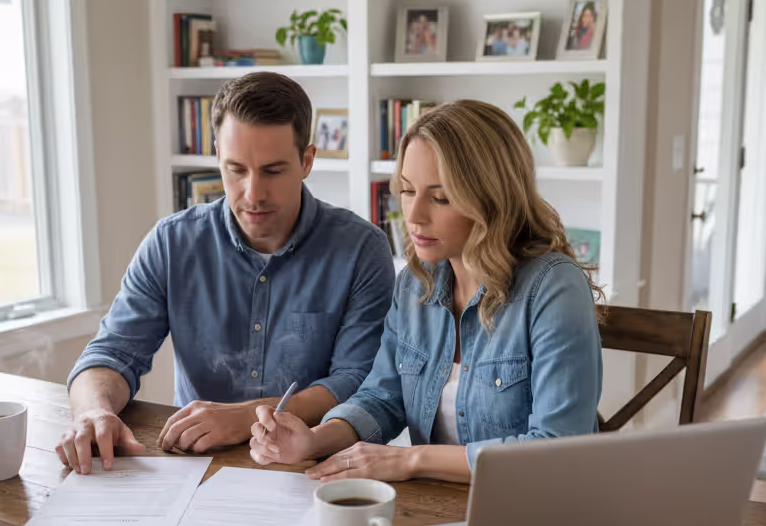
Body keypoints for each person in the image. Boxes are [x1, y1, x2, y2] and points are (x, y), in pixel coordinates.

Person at [249, 100, 603, 484]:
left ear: (492, 197)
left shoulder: (553, 288)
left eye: (440, 198)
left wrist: (411, 460)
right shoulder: (417, 284)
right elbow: (381, 400)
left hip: (537, 516)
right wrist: (312, 441)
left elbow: (558, 450)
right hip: (441, 513)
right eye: (406, 190)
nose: (413, 215)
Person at [57, 73, 395, 473]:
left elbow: (356, 380)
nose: (252, 193)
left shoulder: (361, 249)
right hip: (193, 464)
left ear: (306, 161)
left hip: (310, 467)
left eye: (272, 171)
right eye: (236, 169)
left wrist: (247, 416)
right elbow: (111, 353)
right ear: (217, 154)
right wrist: (94, 412)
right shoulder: (171, 243)